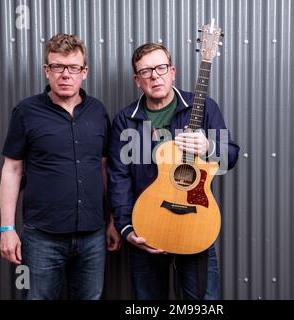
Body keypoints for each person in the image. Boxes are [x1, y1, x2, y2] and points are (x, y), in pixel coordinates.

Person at [107, 43, 239, 299]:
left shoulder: (204, 107)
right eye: (146, 71)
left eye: (161, 68)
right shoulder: (126, 119)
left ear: (173, 71)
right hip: (146, 228)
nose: (155, 76)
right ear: (137, 80)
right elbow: (118, 177)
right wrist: (125, 228)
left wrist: (209, 146)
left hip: (196, 224)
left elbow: (230, 156)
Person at [0, 33, 121, 300]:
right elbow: (12, 170)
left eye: (73, 67)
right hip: (43, 237)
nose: (66, 75)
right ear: (47, 70)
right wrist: (7, 229)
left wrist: (112, 220)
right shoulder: (26, 112)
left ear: (84, 72)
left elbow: (104, 169)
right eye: (57, 67)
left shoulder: (98, 112)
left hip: (93, 235)